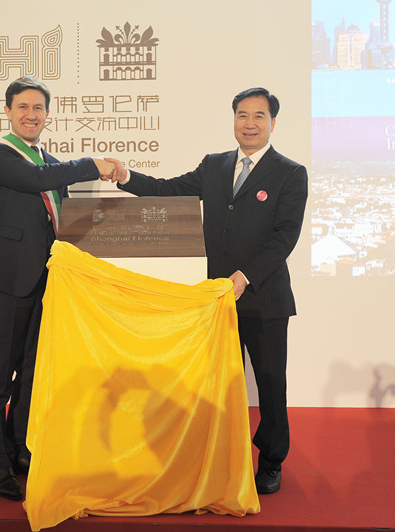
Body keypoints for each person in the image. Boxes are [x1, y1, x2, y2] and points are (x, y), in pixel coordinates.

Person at [107, 87, 307, 494]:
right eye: (242, 115)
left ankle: (271, 460)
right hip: (216, 301)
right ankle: (223, 455)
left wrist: (244, 276)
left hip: (264, 300)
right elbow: (168, 189)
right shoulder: (214, 165)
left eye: (259, 116)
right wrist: (126, 177)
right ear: (233, 119)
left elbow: (285, 237)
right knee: (219, 388)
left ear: (273, 123)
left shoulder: (290, 172)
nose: (249, 124)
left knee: (271, 386)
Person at [0, 76, 117, 500]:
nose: (31, 114)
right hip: (4, 281)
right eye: (23, 107)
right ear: (7, 111)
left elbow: (63, 222)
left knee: (31, 374)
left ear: (48, 115)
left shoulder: (50, 163)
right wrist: (93, 164)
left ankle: (20, 449)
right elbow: (35, 179)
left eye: (38, 108)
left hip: (46, 283)